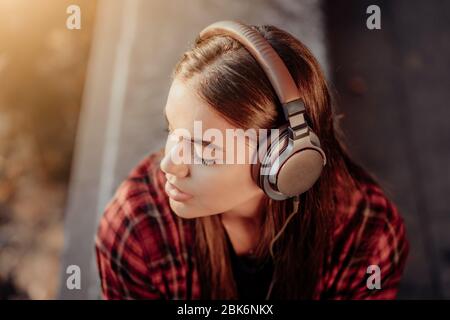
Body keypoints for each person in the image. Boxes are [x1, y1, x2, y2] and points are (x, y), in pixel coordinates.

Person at [95, 22, 409, 300]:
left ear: (285, 160)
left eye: (205, 149)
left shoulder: (367, 233)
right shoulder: (135, 229)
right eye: (173, 131)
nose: (169, 165)